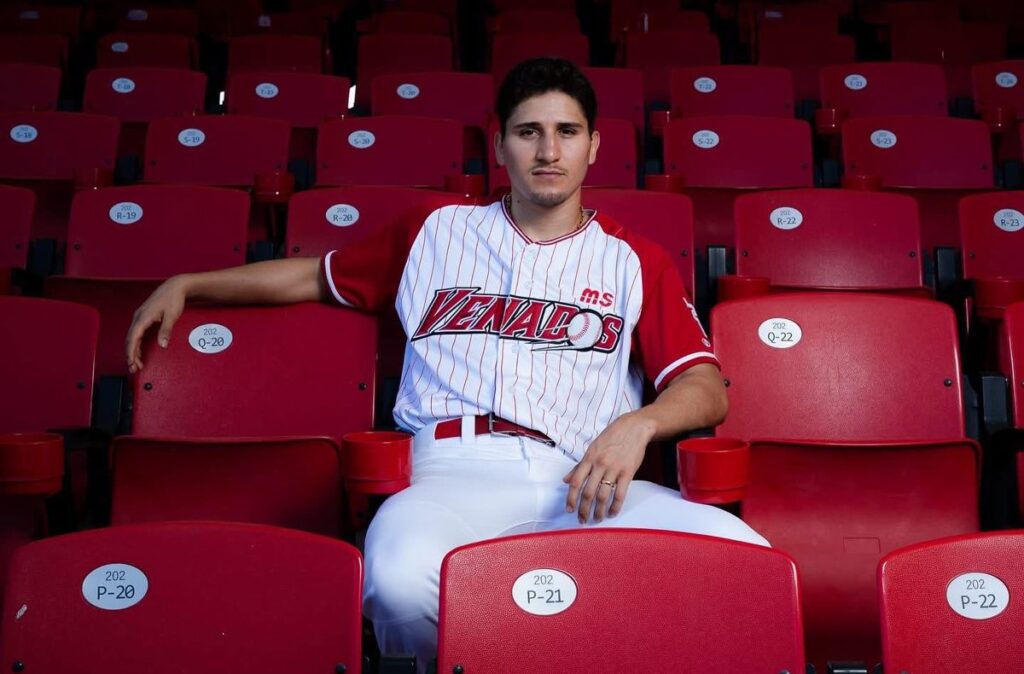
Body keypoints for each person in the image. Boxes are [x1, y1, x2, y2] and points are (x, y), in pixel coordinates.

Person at [125, 58, 768, 671]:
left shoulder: (634, 260)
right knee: (396, 582)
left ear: (594, 146)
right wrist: (193, 282)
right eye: (529, 132)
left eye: (567, 132)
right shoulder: (434, 231)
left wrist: (640, 424)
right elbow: (314, 277)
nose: (549, 151)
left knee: (749, 561)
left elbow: (706, 387)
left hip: (582, 483)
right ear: (499, 144)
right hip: (448, 475)